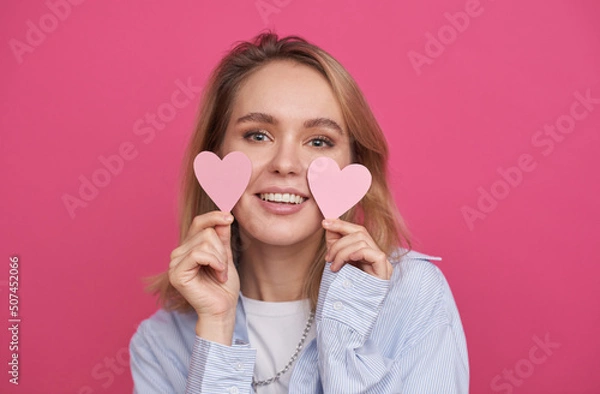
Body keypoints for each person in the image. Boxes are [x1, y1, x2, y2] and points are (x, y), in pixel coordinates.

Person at [129, 31, 469, 394]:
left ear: (355, 165)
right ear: (217, 154)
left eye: (319, 141)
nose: (286, 164)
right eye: (258, 135)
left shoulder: (414, 297)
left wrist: (345, 328)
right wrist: (216, 326)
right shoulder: (160, 345)